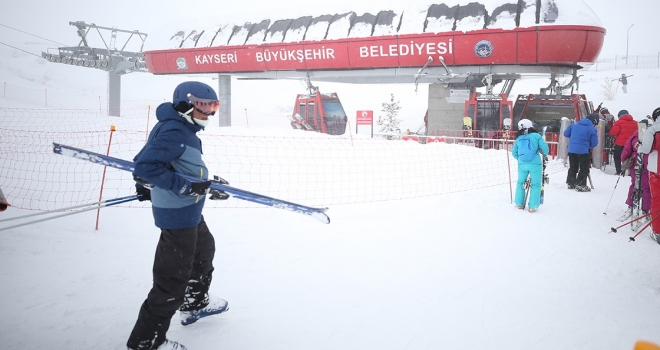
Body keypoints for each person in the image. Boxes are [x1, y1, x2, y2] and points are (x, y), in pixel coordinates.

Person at [127, 81, 229, 350]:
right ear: (184, 103)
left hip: (189, 209)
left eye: (213, 105)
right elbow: (145, 165)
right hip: (177, 214)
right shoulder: (175, 131)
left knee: (204, 250)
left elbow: (156, 162)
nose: (209, 112)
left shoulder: (180, 128)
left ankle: (195, 302)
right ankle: (146, 343)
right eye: (203, 105)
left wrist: (207, 182)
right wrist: (183, 186)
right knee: (171, 282)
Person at [512, 119, 549, 213]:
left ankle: (519, 204)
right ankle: (533, 206)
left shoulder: (519, 138)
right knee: (536, 184)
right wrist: (543, 153)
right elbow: (545, 149)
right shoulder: (536, 136)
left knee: (520, 182)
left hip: (522, 164)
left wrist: (520, 159)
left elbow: (514, 153)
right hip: (535, 164)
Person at [638, 107, 660, 244]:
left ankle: (657, 231)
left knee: (657, 199)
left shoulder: (652, 129)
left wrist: (639, 145)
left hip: (656, 169)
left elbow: (646, 149)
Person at [618, 130, 650, 221]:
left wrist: (624, 161)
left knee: (634, 185)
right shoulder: (652, 136)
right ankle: (645, 209)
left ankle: (631, 205)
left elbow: (626, 150)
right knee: (646, 187)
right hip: (648, 164)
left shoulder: (633, 137)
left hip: (635, 163)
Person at [564, 114, 599, 192]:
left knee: (573, 166)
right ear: (594, 121)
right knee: (584, 168)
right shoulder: (592, 129)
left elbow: (565, 133)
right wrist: (588, 146)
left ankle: (571, 182)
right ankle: (580, 184)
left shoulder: (574, 125)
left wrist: (574, 137)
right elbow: (594, 143)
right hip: (583, 151)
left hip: (571, 150)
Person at [609, 110, 638, 175]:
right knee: (631, 158)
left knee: (617, 157)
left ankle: (619, 171)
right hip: (632, 144)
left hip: (620, 144)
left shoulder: (618, 123)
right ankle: (630, 172)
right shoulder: (636, 123)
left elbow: (613, 132)